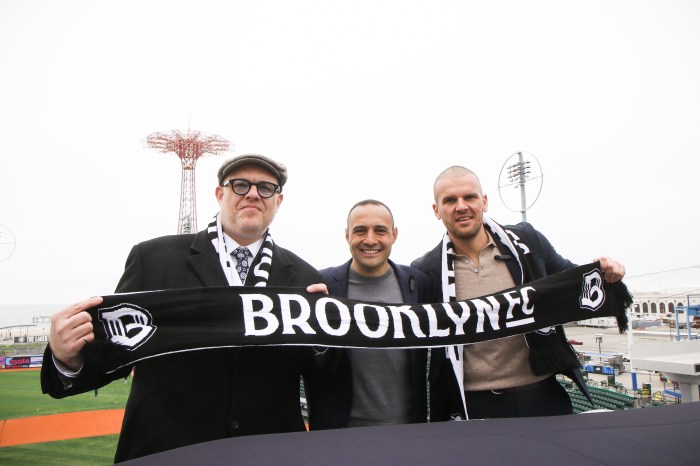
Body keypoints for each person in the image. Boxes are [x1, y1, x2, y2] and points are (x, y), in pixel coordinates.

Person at [41, 154, 326, 462]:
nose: (253, 194)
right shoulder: (153, 259)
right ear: (220, 194)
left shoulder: (306, 279)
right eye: (240, 185)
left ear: (278, 200)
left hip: (269, 453)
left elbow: (320, 376)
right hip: (168, 449)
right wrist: (65, 357)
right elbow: (114, 353)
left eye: (266, 188)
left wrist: (324, 343)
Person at [411, 166, 625, 421]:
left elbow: (570, 278)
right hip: (473, 407)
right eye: (450, 200)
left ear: (484, 202)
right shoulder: (427, 270)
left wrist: (605, 272)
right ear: (437, 210)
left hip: (543, 397)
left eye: (469, 197)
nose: (461, 206)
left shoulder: (527, 242)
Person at [310, 200, 435, 429]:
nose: (370, 240)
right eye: (360, 231)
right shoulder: (321, 285)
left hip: (409, 429)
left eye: (380, 230)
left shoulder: (420, 285)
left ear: (394, 235)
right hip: (341, 434)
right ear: (347, 235)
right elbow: (310, 360)